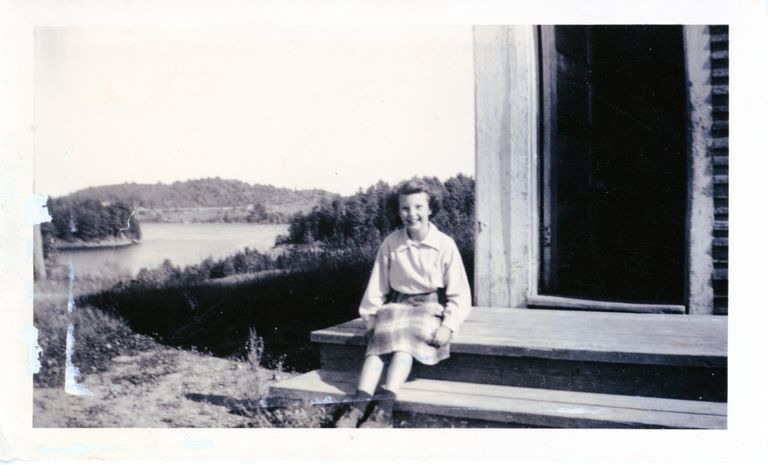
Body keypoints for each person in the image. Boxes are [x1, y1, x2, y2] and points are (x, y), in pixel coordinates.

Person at [334, 178, 472, 428]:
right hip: (396, 307)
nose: (412, 214)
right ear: (399, 211)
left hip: (428, 308)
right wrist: (370, 316)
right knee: (377, 347)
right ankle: (357, 406)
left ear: (431, 208)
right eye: (405, 208)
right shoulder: (391, 243)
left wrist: (448, 326)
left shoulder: (444, 245)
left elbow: (459, 294)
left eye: (419, 207)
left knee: (403, 346)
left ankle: (384, 411)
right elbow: (377, 284)